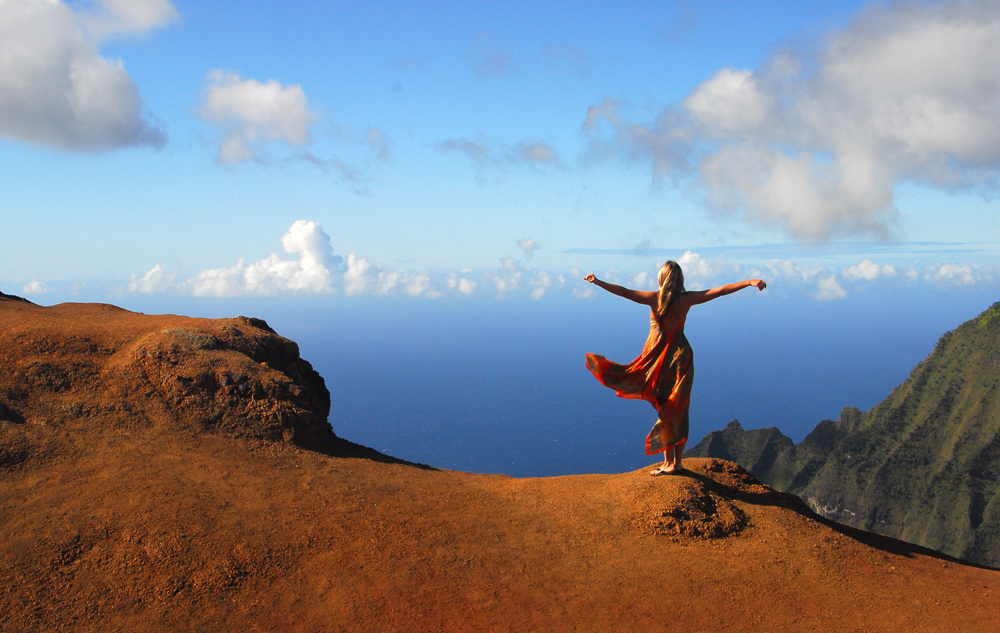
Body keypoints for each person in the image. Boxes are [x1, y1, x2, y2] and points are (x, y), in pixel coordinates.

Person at [584, 262, 766, 475]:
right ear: (679, 279)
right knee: (678, 409)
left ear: (662, 278)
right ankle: (675, 463)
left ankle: (670, 463)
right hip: (681, 359)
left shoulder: (655, 298)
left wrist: (597, 282)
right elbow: (718, 291)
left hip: (659, 361)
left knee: (666, 408)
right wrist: (748, 282)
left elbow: (624, 292)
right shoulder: (686, 299)